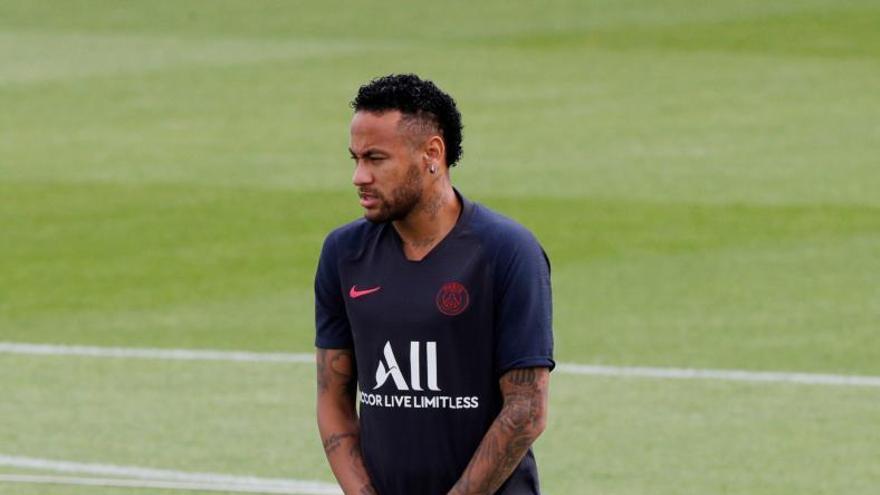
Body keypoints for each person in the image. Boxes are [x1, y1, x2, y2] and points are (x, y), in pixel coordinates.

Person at [315, 73, 554, 495]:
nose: (359, 176)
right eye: (355, 158)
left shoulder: (507, 251)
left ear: (432, 153)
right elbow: (333, 397)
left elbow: (527, 409)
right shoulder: (343, 252)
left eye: (375, 158)